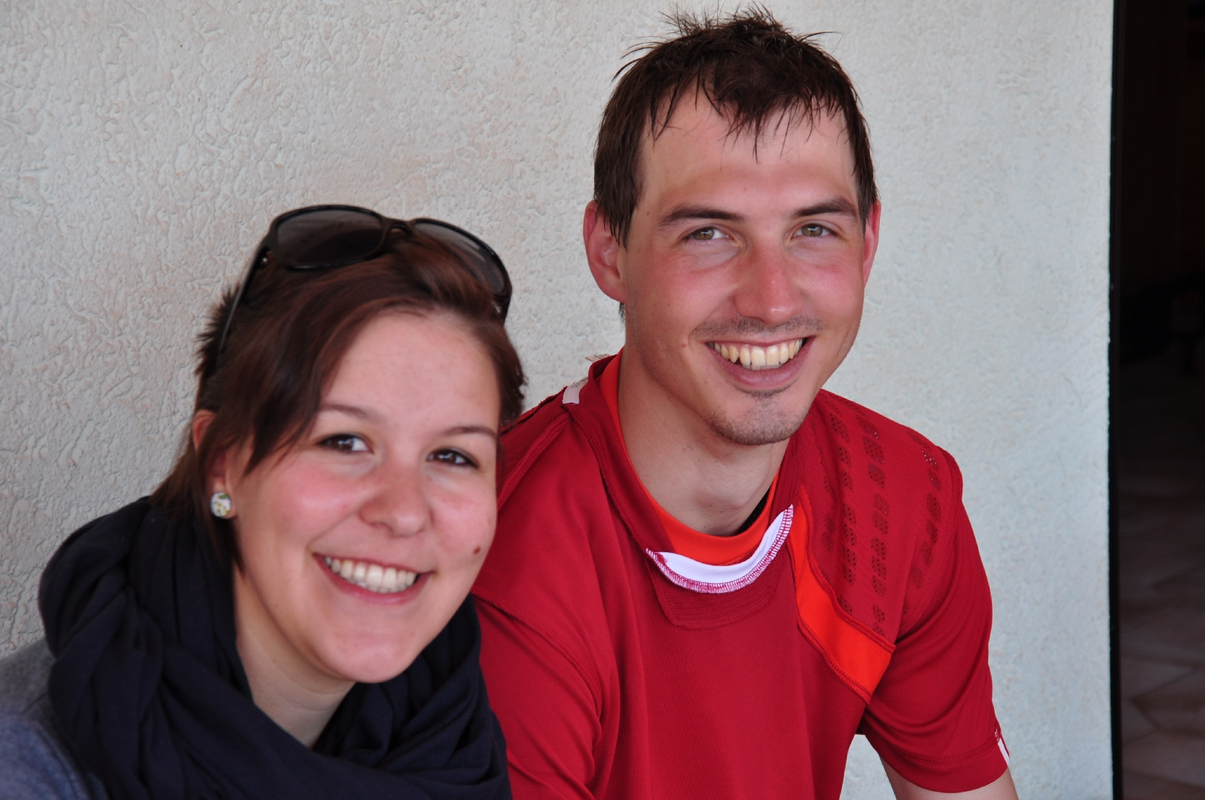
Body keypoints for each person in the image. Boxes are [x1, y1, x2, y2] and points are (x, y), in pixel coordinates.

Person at [472, 11, 1018, 800]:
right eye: (707, 233)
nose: (771, 301)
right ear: (609, 252)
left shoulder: (905, 497)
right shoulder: (496, 549)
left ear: (867, 244)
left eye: (813, 230)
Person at [0, 205, 520, 799]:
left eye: (453, 455)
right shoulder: (27, 770)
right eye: (343, 442)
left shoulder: (455, 741)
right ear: (220, 464)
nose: (404, 511)